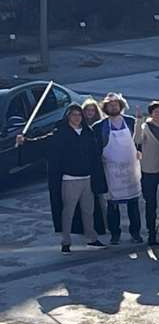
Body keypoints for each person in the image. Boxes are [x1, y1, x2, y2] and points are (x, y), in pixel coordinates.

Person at [44, 104, 103, 252]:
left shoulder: (88, 132)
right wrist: (24, 140)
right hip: (70, 179)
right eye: (73, 115)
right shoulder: (61, 133)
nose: (76, 118)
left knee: (88, 210)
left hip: (87, 178)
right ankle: (66, 241)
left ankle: (92, 238)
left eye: (78, 115)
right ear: (68, 117)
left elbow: (95, 153)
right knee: (68, 211)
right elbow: (43, 142)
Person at [95, 93, 143, 244]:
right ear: (105, 107)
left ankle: (135, 233)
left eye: (116, 104)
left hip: (130, 170)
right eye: (110, 104)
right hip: (111, 172)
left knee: (133, 204)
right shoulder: (100, 127)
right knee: (112, 206)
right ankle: (115, 234)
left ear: (121, 105)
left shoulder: (131, 122)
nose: (113, 106)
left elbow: (140, 141)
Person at [134, 101, 159, 245]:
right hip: (149, 170)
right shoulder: (146, 127)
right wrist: (138, 121)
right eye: (155, 111)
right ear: (151, 113)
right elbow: (137, 140)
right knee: (151, 203)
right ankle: (151, 233)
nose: (158, 114)